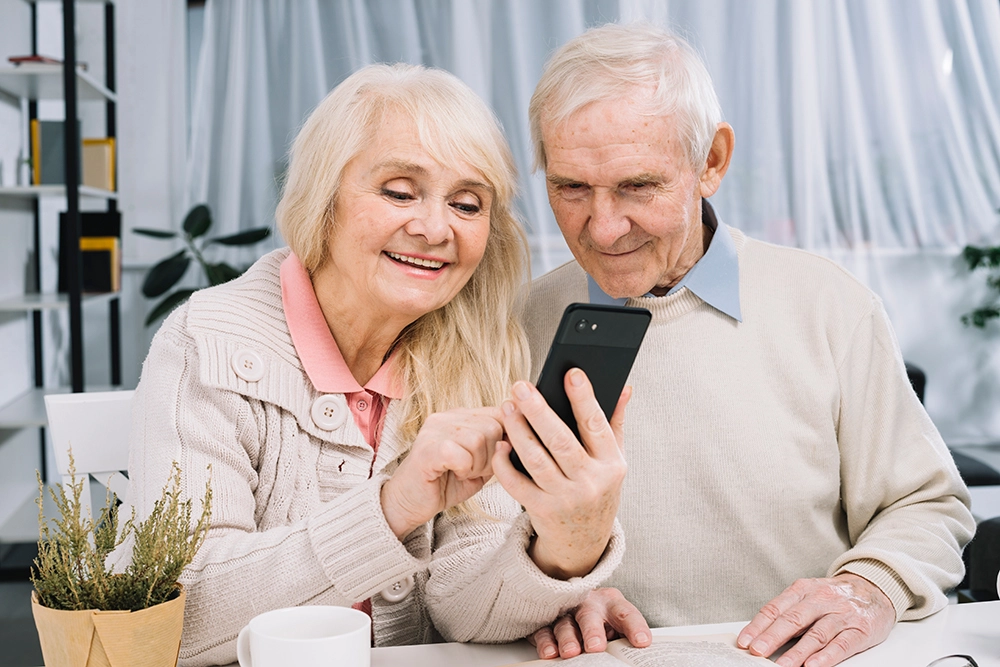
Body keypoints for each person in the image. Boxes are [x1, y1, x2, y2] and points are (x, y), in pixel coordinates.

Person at [119, 63, 628, 666]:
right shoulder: (207, 341)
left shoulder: (470, 349)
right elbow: (181, 616)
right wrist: (393, 507)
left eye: (467, 204)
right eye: (399, 192)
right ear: (325, 197)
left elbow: (462, 606)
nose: (435, 228)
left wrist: (568, 546)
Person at [521, 23, 976, 667]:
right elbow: (473, 544)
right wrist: (541, 593)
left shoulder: (828, 303)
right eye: (570, 188)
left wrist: (867, 586)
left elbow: (927, 503)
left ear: (711, 161)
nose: (602, 226)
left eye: (637, 186)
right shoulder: (518, 320)